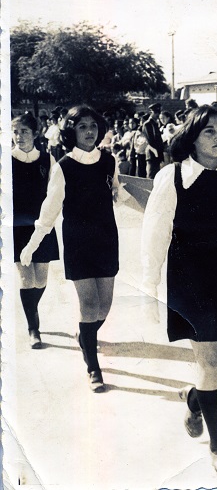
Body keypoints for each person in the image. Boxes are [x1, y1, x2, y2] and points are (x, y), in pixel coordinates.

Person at [141, 105, 217, 480]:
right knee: (209, 365)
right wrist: (150, 285)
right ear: (192, 137)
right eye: (209, 131)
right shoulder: (172, 177)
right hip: (190, 274)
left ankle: (194, 399)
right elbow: (155, 232)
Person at [20, 105, 121, 392]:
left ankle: (84, 336)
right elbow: (49, 211)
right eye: (82, 127)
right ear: (71, 132)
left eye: (93, 126)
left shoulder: (109, 161)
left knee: (104, 307)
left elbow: (117, 191)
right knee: (88, 305)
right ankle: (93, 367)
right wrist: (31, 244)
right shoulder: (63, 167)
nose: (89, 132)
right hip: (78, 241)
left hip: (106, 240)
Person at [12, 113, 60, 349]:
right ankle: (34, 327)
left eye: (24, 131)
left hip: (43, 227)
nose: (19, 136)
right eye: (15, 131)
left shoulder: (48, 160)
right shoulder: (6, 160)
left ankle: (32, 308)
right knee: (26, 278)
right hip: (17, 228)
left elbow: (56, 193)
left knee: (40, 279)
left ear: (35, 134)